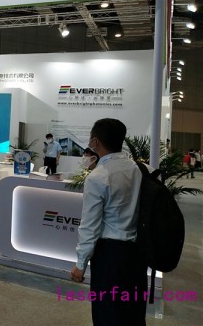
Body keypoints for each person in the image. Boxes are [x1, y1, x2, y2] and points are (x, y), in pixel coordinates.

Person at [70, 118, 147, 326]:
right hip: (137, 254)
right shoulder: (139, 169)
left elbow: (90, 226)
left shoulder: (98, 177)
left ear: (95, 142)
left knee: (107, 314)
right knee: (134, 314)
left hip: (110, 257)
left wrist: (80, 264)